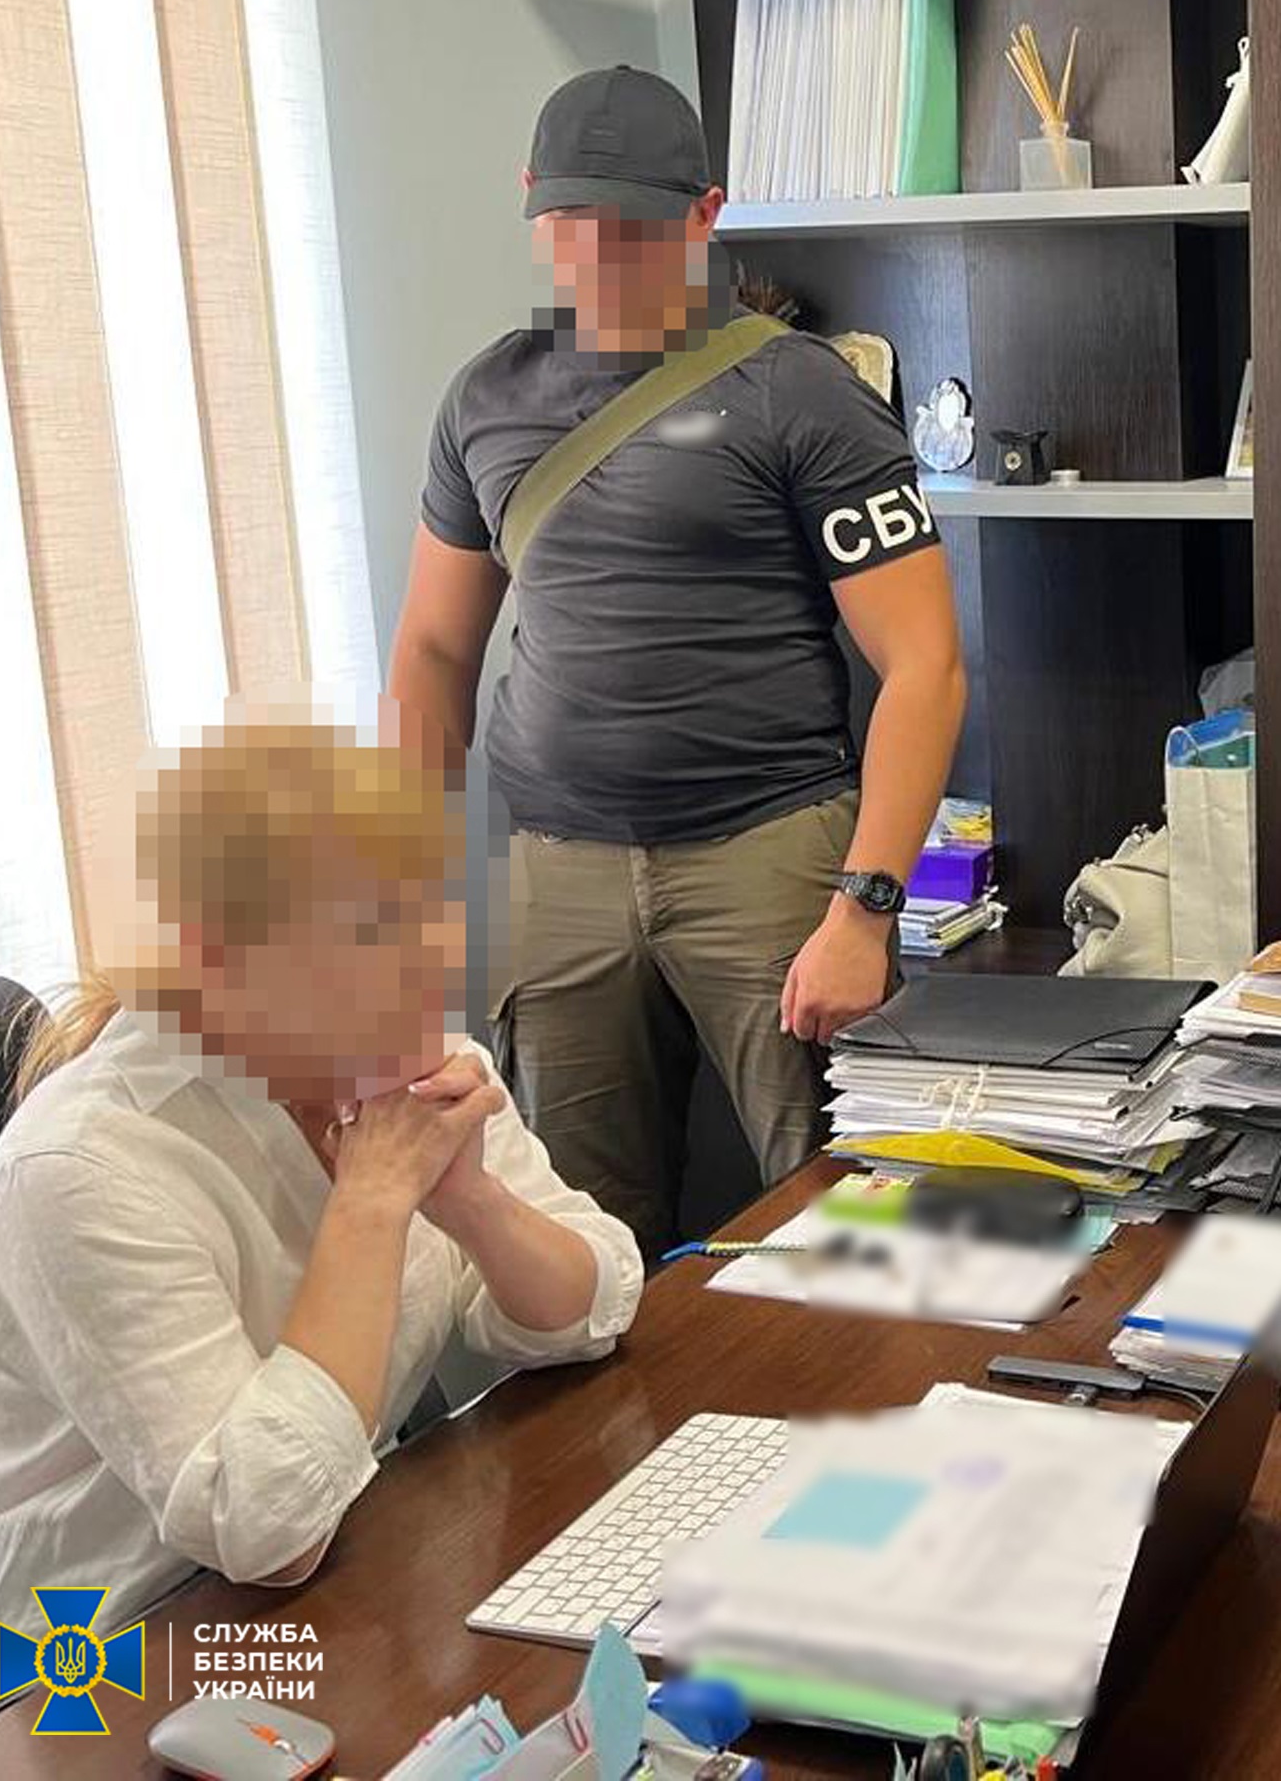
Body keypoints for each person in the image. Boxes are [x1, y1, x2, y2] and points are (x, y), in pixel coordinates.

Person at [0, 705, 641, 1727]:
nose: (428, 964)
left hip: (325, 1570)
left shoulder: (400, 1054)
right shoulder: (78, 1170)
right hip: (69, 1664)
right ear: (212, 964)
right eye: (369, 931)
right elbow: (266, 1529)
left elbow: (594, 1303)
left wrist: (470, 1200)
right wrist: (373, 1201)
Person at [390, 65, 967, 1260]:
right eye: (570, 222)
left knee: (848, 1216)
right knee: (571, 1238)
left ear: (705, 215)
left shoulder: (801, 392)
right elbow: (435, 647)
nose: (597, 256)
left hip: (767, 853)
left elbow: (924, 664)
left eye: (633, 229)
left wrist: (865, 909)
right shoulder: (486, 397)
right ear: (530, 199)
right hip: (553, 868)